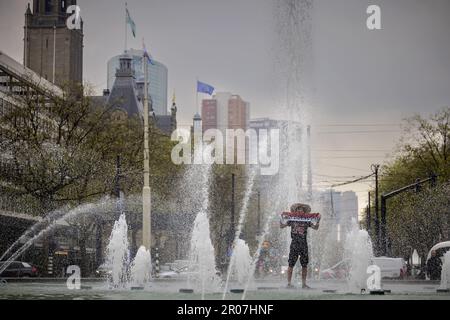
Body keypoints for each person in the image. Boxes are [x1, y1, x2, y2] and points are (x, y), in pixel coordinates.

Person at [280, 203, 320, 289]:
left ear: (304, 211)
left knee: (304, 265)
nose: (300, 211)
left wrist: (317, 223)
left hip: (303, 244)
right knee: (291, 264)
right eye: (298, 209)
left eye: (301, 209)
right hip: (294, 243)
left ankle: (304, 284)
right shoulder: (292, 220)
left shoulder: (307, 220)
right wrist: (281, 220)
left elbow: (315, 227)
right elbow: (282, 226)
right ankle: (289, 283)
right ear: (295, 211)